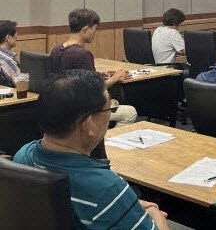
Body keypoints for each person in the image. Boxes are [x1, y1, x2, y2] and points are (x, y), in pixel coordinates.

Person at [14, 70, 170, 229]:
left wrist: (122, 204)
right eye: (110, 108)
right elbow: (99, 195)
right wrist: (155, 214)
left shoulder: (23, 156)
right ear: (89, 124)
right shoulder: (107, 187)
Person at [50, 8, 137, 127]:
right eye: (94, 30)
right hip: (82, 111)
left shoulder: (57, 49)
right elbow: (94, 89)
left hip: (64, 107)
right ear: (86, 29)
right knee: (130, 112)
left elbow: (72, 76)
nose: (95, 34)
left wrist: (98, 75)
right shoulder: (82, 54)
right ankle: (105, 138)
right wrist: (116, 78)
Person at [0, 20, 20, 87]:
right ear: (8, 38)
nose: (17, 39)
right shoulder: (7, 61)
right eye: (16, 35)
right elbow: (20, 84)